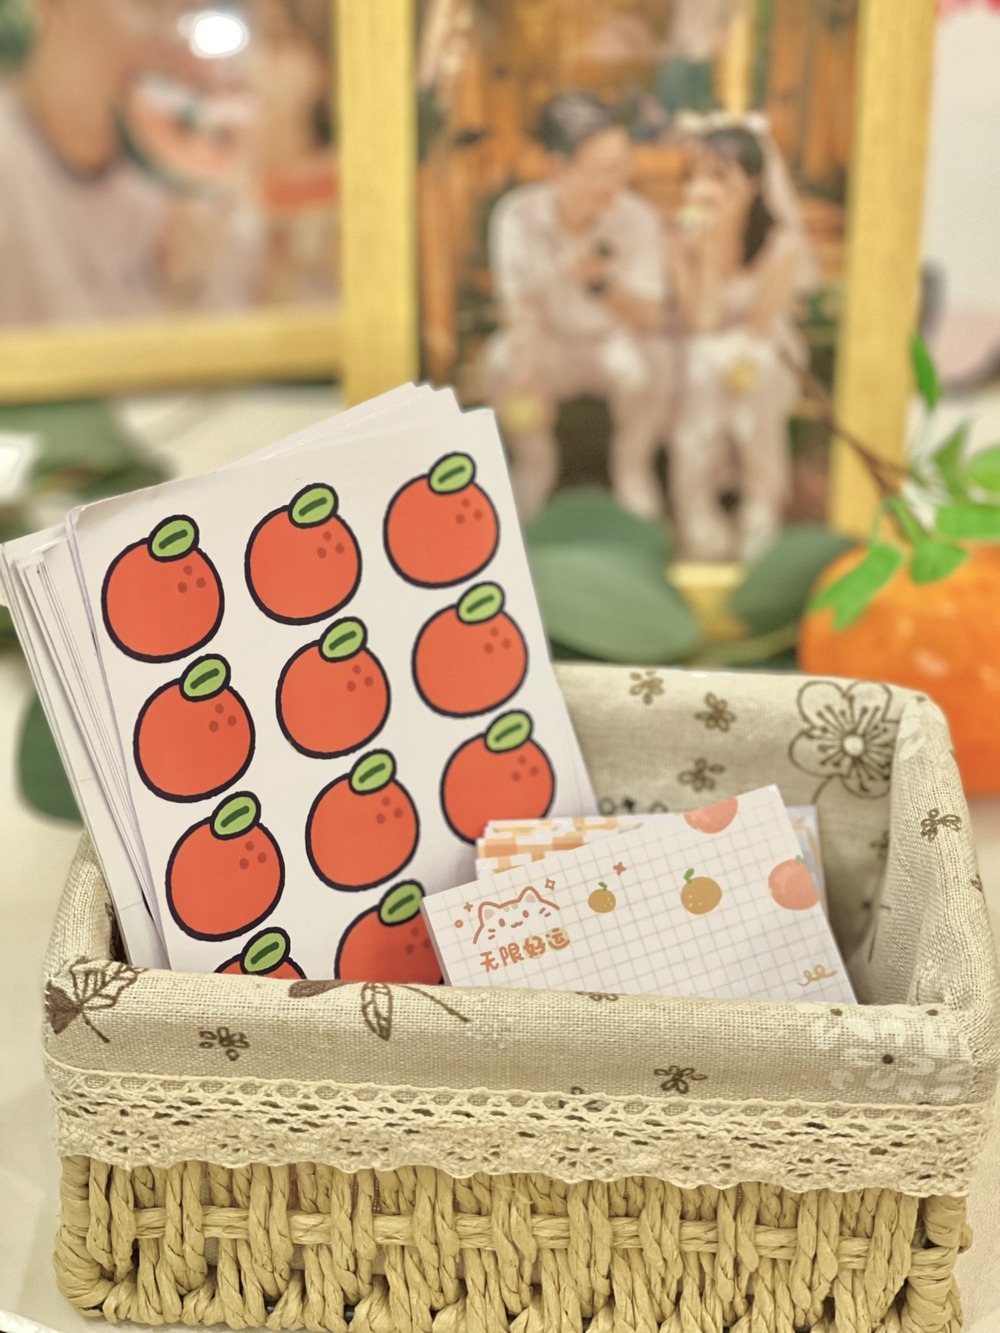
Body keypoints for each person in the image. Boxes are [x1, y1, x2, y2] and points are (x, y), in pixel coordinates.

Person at [0, 0, 262, 326]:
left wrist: (187, 292)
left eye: (179, 11)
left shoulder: (188, 192)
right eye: (148, 5)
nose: (168, 36)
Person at [484, 91, 671, 522]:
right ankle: (534, 468)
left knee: (654, 359)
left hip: (614, 343)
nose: (616, 181)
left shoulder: (637, 217)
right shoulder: (517, 216)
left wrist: (600, 283)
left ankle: (633, 468)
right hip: (551, 341)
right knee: (501, 360)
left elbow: (651, 316)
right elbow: (522, 308)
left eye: (622, 165)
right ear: (558, 168)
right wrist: (527, 374)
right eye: (602, 170)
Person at [667, 122, 816, 560]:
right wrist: (708, 251)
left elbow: (757, 325)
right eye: (694, 177)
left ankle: (760, 503)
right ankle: (695, 504)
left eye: (719, 177)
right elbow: (702, 323)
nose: (703, 190)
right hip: (696, 351)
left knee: (750, 367)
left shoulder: (782, 243)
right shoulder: (679, 238)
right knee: (703, 362)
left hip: (763, 350)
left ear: (752, 184)